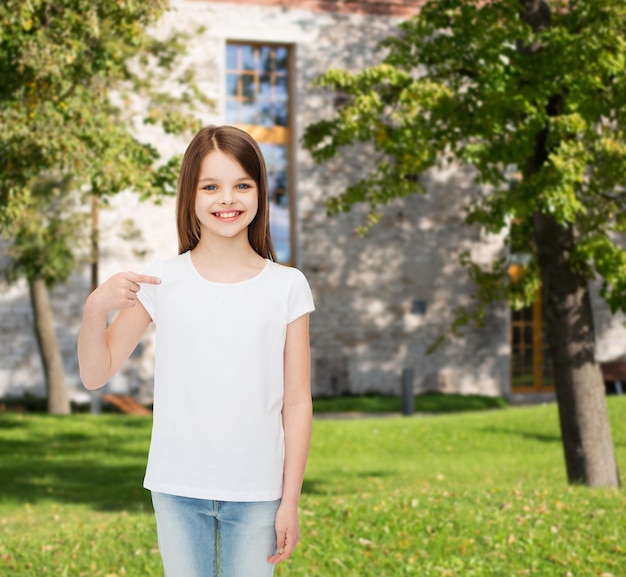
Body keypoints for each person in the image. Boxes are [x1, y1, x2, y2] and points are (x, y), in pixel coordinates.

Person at [77, 125, 315, 577]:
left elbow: (297, 401)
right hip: (177, 485)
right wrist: (95, 309)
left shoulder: (287, 285)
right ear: (190, 195)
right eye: (211, 186)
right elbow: (96, 373)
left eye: (242, 185)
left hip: (258, 489)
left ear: (260, 192)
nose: (228, 199)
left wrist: (290, 501)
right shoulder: (163, 281)